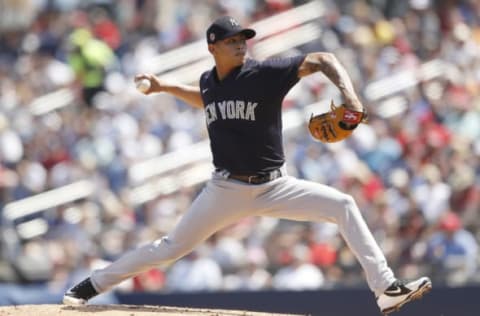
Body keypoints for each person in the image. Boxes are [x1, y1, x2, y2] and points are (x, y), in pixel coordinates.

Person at [63, 16, 431, 314]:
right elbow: (205, 99)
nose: (241, 44)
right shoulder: (210, 81)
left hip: (275, 185)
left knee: (343, 205)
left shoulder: (264, 74)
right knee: (169, 248)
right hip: (226, 189)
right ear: (213, 47)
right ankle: (90, 286)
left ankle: (385, 289)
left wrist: (350, 96)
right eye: (231, 40)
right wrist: (166, 87)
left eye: (243, 39)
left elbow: (323, 60)